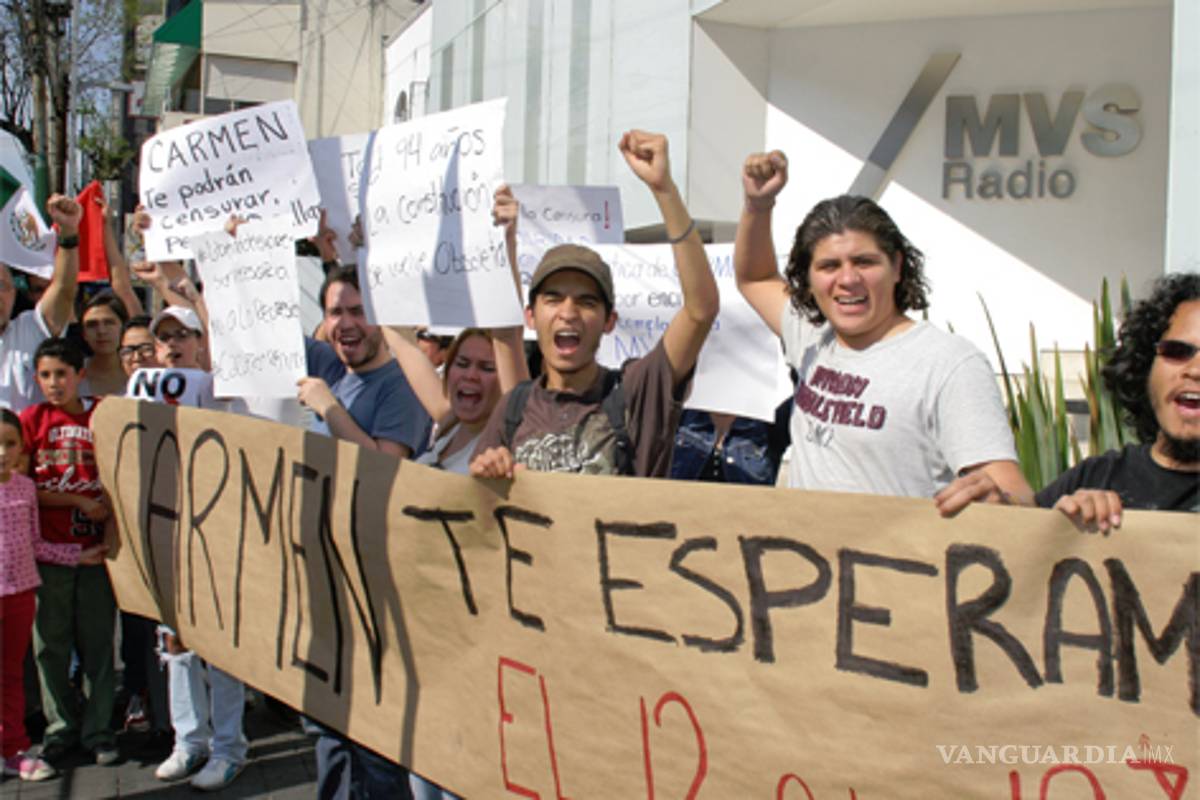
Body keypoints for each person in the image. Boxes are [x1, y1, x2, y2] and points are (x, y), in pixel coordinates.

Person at [733, 151, 1031, 513]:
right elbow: (756, 276)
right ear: (808, 280)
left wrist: (1000, 500)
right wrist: (758, 205)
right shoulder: (812, 336)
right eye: (829, 265)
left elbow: (1011, 490)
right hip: (809, 565)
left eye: (864, 262)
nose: (847, 279)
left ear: (897, 266)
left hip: (895, 566)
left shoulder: (949, 364)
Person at [470, 130, 719, 479]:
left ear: (609, 321)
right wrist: (487, 473)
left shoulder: (637, 393)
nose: (568, 312)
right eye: (553, 298)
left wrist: (664, 191)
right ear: (530, 316)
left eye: (586, 302)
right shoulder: (514, 408)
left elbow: (701, 310)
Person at [300, 264, 432, 799]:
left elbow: (385, 469)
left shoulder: (400, 387)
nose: (347, 323)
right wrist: (183, 285)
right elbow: (247, 337)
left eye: (360, 311)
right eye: (337, 312)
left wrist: (331, 412)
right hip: (326, 576)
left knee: (376, 746)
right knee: (328, 730)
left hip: (376, 587)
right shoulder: (332, 368)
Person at [124, 306, 250, 791]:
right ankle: (189, 741)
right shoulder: (143, 395)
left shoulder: (221, 388)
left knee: (220, 645)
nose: (173, 345)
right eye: (164, 338)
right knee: (174, 642)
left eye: (184, 335)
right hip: (167, 530)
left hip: (216, 531)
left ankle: (228, 746)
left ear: (201, 341)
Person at [18, 337, 116, 768]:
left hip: (96, 551)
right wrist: (75, 501)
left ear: (80, 373)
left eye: (62, 374)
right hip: (47, 553)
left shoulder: (103, 416)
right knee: (50, 645)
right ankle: (60, 728)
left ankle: (99, 730)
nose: (54, 383)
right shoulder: (30, 420)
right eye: (45, 375)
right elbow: (22, 488)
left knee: (96, 645)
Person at [1038, 273, 1200, 527]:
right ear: (1146, 365)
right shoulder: (1093, 477)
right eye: (1177, 351)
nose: (1195, 370)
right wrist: (1058, 529)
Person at [0, 408, 60, 782]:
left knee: (10, 676)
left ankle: (12, 749)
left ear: (22, 449)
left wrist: (75, 554)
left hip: (20, 596)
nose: (2, 452)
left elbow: (37, 542)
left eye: (9, 444)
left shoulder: (24, 489)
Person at [1, 195, 83, 412]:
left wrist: (68, 234)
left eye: (2, 286)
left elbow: (64, 289)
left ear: (14, 293)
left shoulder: (30, 328)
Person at [78, 291, 131, 396]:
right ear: (84, 334)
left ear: (123, 327)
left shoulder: (136, 374)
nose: (101, 331)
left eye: (109, 323)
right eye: (92, 325)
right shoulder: (72, 375)